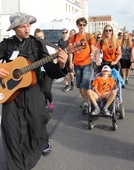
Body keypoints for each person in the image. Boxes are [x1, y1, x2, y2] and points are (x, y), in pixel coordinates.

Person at [0, 12, 68, 170]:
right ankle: (16, 166)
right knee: (10, 129)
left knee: (36, 124)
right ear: (15, 28)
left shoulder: (37, 44)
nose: (27, 29)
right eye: (23, 26)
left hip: (33, 91)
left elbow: (51, 69)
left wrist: (62, 66)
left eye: (28, 25)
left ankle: (36, 150)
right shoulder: (7, 44)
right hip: (11, 94)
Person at [69, 17, 95, 114]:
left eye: (84, 25)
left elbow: (93, 47)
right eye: (80, 25)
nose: (82, 27)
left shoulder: (89, 36)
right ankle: (85, 99)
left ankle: (86, 103)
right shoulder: (74, 37)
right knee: (80, 85)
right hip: (77, 64)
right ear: (77, 26)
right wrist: (70, 62)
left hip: (87, 63)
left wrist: (92, 53)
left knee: (85, 83)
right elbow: (70, 51)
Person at [34, 28, 55, 112]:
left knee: (47, 89)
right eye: (38, 37)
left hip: (48, 72)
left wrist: (53, 64)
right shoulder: (34, 47)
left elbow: (54, 58)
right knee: (40, 90)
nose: (40, 39)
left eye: (41, 36)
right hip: (38, 71)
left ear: (44, 36)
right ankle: (44, 105)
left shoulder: (49, 46)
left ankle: (51, 102)